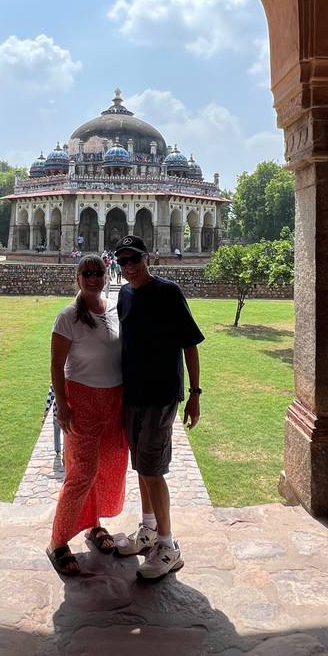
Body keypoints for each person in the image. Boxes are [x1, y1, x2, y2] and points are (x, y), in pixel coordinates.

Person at [114, 235, 204, 581]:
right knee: (141, 465)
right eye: (123, 262)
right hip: (133, 394)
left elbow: (190, 345)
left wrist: (195, 393)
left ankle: (168, 546)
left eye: (134, 259)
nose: (129, 267)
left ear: (147, 258)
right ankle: (149, 529)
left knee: (152, 468)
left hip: (161, 394)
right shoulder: (125, 294)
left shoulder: (168, 292)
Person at [46, 254, 128, 575]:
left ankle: (94, 524)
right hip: (82, 399)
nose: (94, 277)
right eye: (87, 273)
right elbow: (56, 365)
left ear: (106, 275)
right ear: (78, 278)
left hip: (114, 399)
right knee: (82, 472)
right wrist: (62, 405)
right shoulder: (67, 317)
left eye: (99, 272)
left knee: (107, 467)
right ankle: (57, 541)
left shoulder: (113, 309)